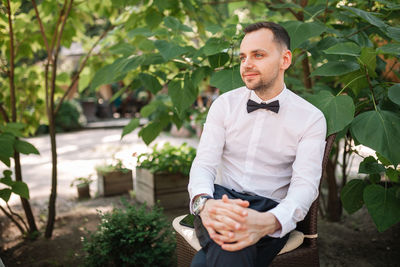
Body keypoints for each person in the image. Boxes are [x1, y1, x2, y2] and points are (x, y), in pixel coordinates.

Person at [188, 21, 327, 267]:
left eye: (258, 55)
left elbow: (305, 186)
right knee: (233, 243)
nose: (247, 64)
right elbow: (204, 164)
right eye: (242, 57)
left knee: (219, 254)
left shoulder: (311, 118)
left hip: (270, 209)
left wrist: (270, 221)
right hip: (219, 201)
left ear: (285, 60)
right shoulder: (224, 105)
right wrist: (204, 204)